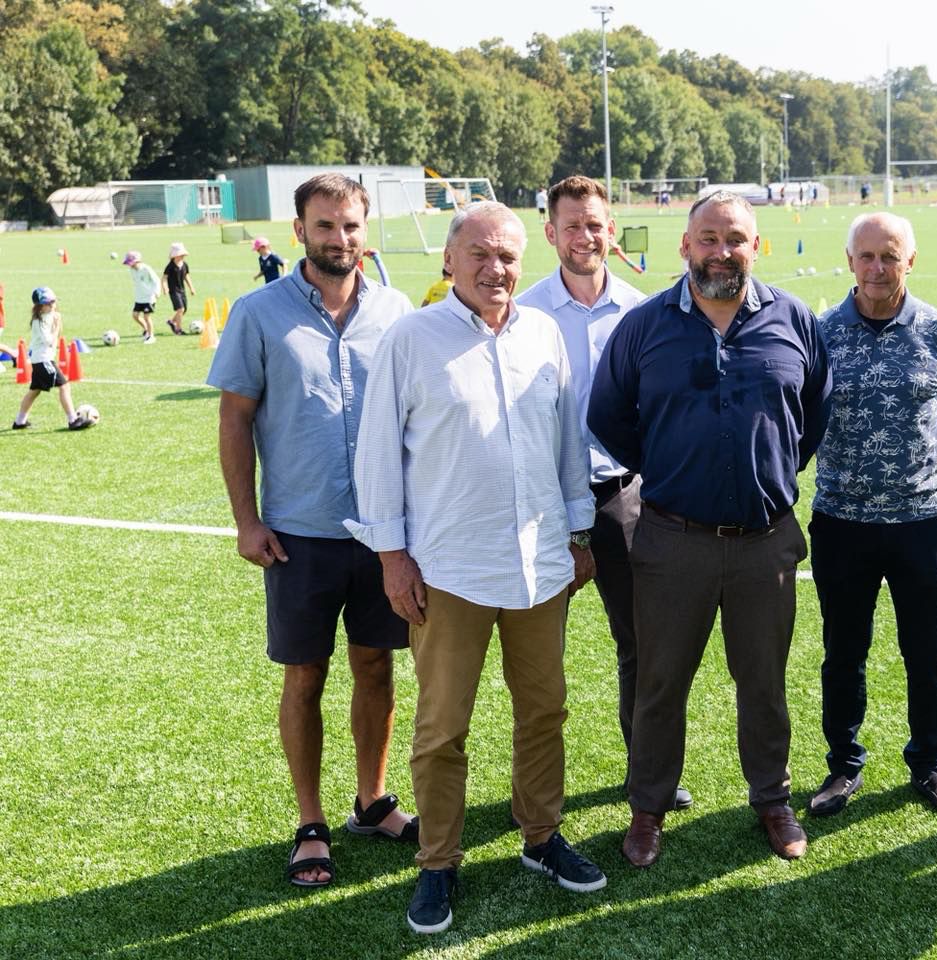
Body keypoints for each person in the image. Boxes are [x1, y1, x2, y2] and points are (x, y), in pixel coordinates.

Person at [347, 202, 606, 936]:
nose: (496, 269)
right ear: (449, 260)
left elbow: (566, 446)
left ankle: (541, 837)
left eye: (507, 257)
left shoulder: (543, 333)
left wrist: (578, 534)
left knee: (545, 709)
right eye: (480, 254)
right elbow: (377, 455)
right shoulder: (411, 338)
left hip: (538, 566)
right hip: (448, 568)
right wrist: (392, 558)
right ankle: (438, 862)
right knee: (442, 727)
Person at [589, 190, 831, 868]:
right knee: (660, 682)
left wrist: (770, 472)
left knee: (764, 683)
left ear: (756, 247)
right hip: (672, 540)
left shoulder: (794, 319)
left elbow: (813, 413)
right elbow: (608, 415)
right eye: (708, 239)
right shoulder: (644, 325)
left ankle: (772, 800)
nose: (721, 252)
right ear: (685, 246)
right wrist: (668, 467)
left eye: (735, 240)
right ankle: (647, 808)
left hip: (765, 542)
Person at [207, 173, 418, 890]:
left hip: (383, 533)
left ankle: (372, 801)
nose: (340, 238)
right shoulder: (258, 312)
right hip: (297, 534)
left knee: (377, 666)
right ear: (300, 230)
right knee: (305, 676)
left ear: (365, 229)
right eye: (325, 225)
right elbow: (235, 418)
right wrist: (246, 520)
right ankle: (310, 821)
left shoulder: (396, 312)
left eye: (351, 225)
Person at [514, 176, 694, 811]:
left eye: (594, 224)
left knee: (642, 642)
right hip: (542, 502)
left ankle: (648, 774)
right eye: (572, 225)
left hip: (623, 496)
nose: (584, 236)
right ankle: (538, 790)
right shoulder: (524, 313)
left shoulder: (644, 312)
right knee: (538, 653)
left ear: (611, 230)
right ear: (550, 232)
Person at [806, 212, 937, 820]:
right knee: (843, 651)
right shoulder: (820, 333)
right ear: (849, 261)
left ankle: (929, 763)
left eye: (890, 256)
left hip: (924, 521)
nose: (878, 268)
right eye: (867, 256)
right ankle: (843, 764)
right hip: (841, 521)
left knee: (927, 651)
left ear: (910, 260)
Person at [11, 287, 92, 431]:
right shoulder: (39, 321)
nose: (53, 305)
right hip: (43, 360)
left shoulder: (50, 315)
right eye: (49, 303)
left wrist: (57, 323)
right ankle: (73, 420)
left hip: (41, 360)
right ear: (41, 306)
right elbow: (49, 341)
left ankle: (19, 421)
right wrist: (56, 326)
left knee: (34, 391)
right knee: (64, 386)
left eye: (53, 301)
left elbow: (55, 338)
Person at [122, 251, 161, 343]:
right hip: (139, 298)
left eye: (130, 262)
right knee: (135, 316)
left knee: (147, 317)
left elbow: (156, 280)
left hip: (149, 297)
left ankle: (151, 337)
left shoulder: (146, 269)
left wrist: (157, 292)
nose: (129, 265)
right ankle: (146, 330)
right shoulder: (132, 270)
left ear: (137, 261)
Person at [161, 242, 197, 335]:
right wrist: (165, 288)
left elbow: (186, 276)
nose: (182, 256)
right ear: (174, 255)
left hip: (182, 290)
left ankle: (172, 321)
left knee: (184, 310)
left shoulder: (184, 265)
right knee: (180, 309)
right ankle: (178, 329)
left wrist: (191, 288)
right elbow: (164, 278)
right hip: (174, 291)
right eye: (180, 255)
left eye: (183, 255)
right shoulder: (170, 266)